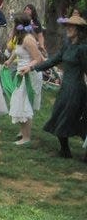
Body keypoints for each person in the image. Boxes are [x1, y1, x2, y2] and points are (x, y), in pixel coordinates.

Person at [31, 11, 87, 158]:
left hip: (76, 89)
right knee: (58, 115)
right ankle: (65, 151)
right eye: (67, 26)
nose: (68, 28)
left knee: (73, 119)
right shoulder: (67, 45)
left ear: (79, 31)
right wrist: (32, 68)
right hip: (65, 88)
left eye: (72, 27)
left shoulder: (83, 48)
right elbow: (53, 60)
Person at [3, 13, 44, 146]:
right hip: (21, 74)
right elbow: (16, 51)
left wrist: (28, 67)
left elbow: (38, 59)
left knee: (24, 103)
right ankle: (23, 132)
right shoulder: (20, 38)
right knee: (18, 102)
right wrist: (9, 61)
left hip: (29, 75)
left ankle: (26, 137)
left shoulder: (28, 39)